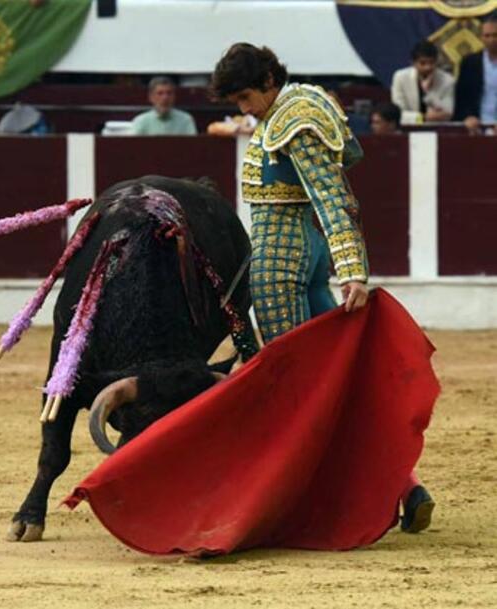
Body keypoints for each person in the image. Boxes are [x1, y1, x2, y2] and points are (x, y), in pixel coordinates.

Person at [211, 42, 434, 533]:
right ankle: (405, 485)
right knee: (332, 381)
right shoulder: (303, 101)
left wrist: (352, 267)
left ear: (270, 80)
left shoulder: (294, 117)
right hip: (304, 249)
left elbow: (334, 195)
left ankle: (309, 502)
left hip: (283, 260)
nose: (244, 110)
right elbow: (347, 157)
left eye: (247, 97)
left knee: (296, 387)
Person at [391, 40, 455, 125]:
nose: (427, 67)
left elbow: (447, 113)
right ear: (413, 63)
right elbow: (398, 114)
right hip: (407, 129)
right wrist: (423, 118)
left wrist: (428, 92)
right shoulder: (400, 77)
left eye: (431, 62)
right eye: (422, 63)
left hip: (437, 130)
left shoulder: (447, 80)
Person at [454, 13, 497, 134]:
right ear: (481, 38)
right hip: (478, 127)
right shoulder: (470, 63)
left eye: (495, 35)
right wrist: (467, 116)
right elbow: (462, 97)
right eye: (487, 36)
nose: (491, 40)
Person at [131, 76, 197, 136]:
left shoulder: (185, 120)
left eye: (169, 93)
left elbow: (193, 146)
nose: (165, 98)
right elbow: (133, 146)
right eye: (160, 93)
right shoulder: (141, 121)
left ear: (174, 97)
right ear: (151, 97)